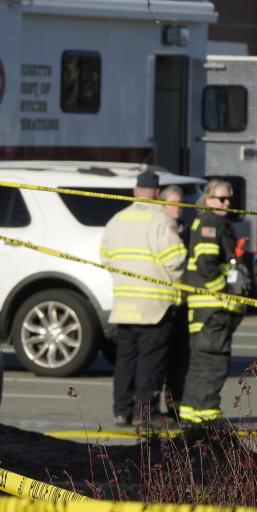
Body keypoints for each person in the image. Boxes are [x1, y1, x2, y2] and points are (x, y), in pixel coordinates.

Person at [100, 171, 187, 426]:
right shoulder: (160, 220)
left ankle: (122, 410)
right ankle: (145, 412)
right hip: (154, 304)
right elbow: (176, 259)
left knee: (126, 359)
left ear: (135, 192)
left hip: (125, 304)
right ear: (157, 194)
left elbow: (105, 255)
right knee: (151, 361)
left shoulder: (117, 219)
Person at [178, 179, 246, 425]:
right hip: (212, 308)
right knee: (213, 360)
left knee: (199, 361)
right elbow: (207, 266)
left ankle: (190, 414)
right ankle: (208, 415)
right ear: (207, 199)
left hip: (204, 307)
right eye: (220, 198)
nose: (226, 203)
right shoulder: (210, 223)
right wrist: (226, 296)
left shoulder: (213, 222)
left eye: (228, 199)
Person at [159, 185, 189, 410]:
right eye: (172, 204)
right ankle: (147, 408)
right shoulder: (157, 229)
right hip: (159, 303)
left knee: (180, 360)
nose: (177, 208)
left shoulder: (186, 230)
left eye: (179, 203)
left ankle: (174, 407)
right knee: (157, 360)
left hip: (182, 303)